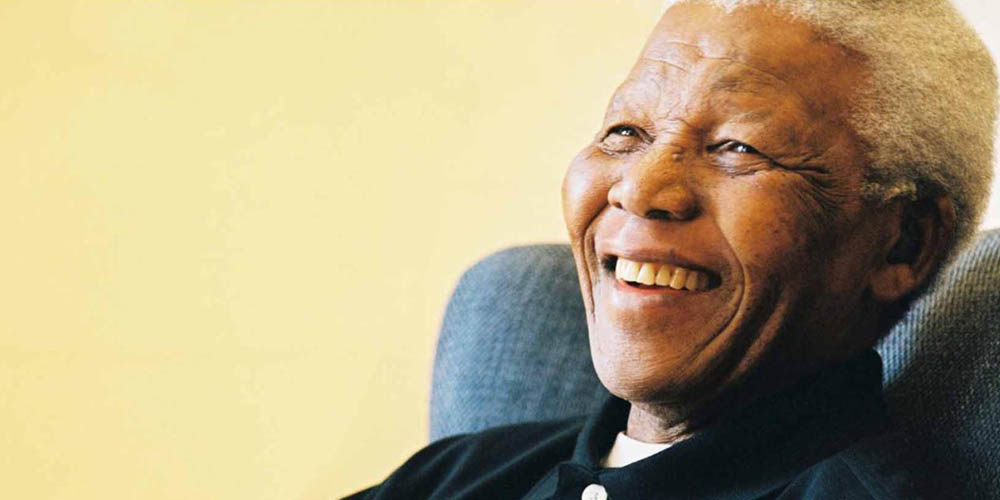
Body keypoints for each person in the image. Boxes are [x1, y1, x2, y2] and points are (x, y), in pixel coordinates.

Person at [346, 0, 997, 498]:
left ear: (900, 244)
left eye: (738, 147)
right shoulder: (457, 475)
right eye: (626, 131)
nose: (639, 189)